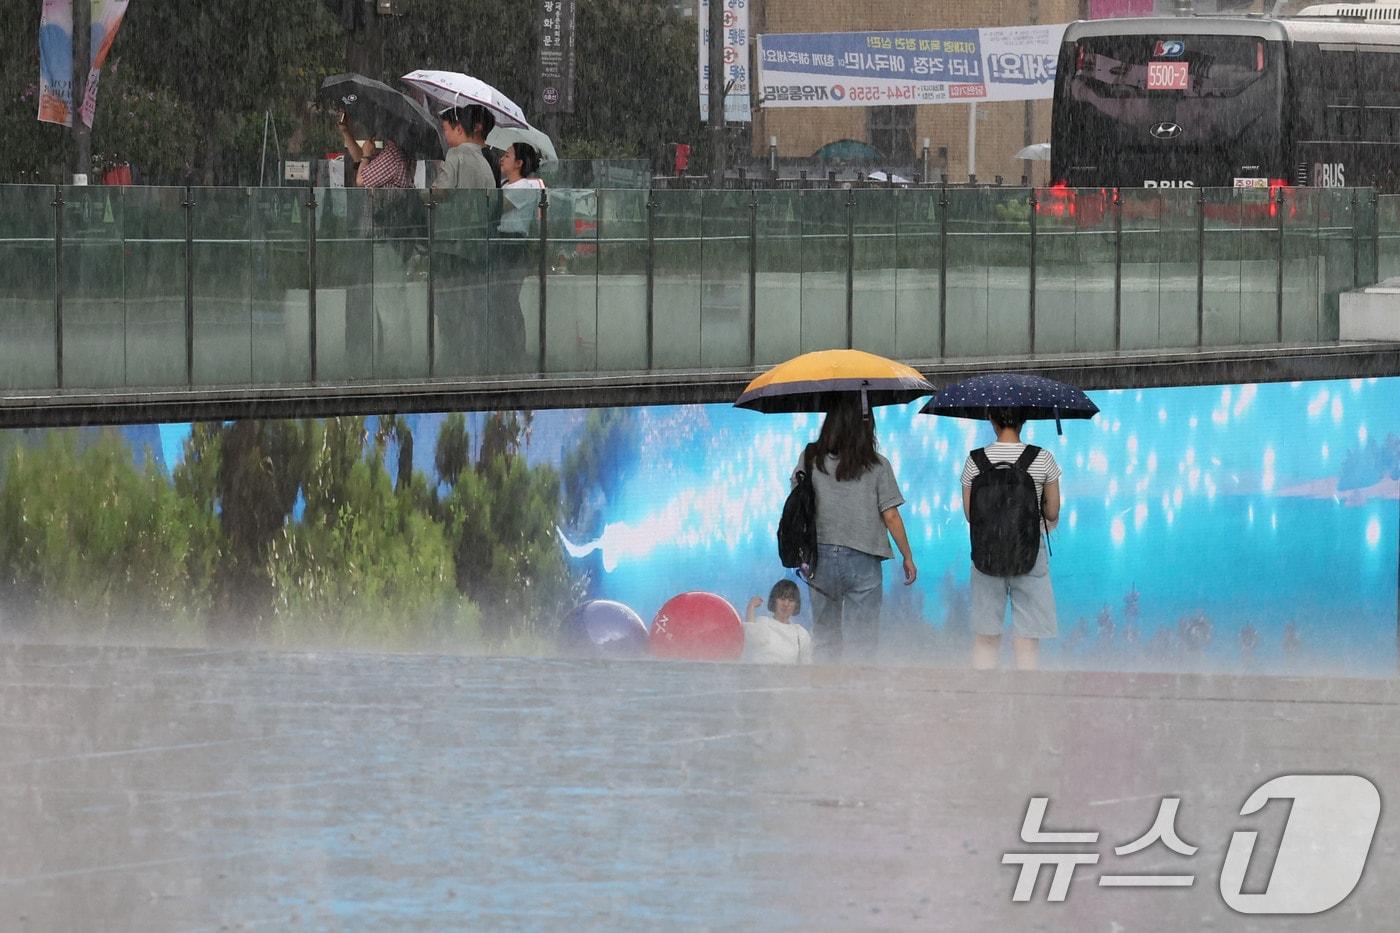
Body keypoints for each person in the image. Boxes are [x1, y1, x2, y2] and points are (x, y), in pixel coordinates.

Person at [797, 396, 917, 662]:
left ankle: (825, 698)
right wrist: (907, 556)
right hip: (863, 557)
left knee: (826, 637)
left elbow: (797, 498)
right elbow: (891, 515)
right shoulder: (876, 464)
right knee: (862, 641)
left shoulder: (810, 457)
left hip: (820, 557)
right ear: (866, 426)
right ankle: (859, 698)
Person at [960, 407, 1061, 671]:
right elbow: (1052, 512)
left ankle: (983, 698)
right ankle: (1025, 701)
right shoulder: (1043, 458)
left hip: (986, 554)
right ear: (1023, 420)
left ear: (991, 419)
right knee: (1027, 637)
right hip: (1028, 551)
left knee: (986, 636)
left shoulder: (975, 460)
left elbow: (971, 515)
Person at [489, 141, 546, 370]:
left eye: (508, 155)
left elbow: (498, 207)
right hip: (501, 244)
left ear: (519, 163)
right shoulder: (505, 184)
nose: (502, 159)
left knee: (508, 300)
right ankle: (505, 349)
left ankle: (515, 351)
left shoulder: (525, 187)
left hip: (513, 245)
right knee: (500, 301)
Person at [742, 579, 813, 665]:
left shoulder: (800, 633)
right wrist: (751, 608)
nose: (786, 604)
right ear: (774, 600)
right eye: (782, 599)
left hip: (789, 677)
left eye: (791, 600)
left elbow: (806, 666)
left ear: (796, 604)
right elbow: (751, 639)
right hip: (760, 676)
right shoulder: (763, 623)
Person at [337, 113, 413, 189]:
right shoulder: (390, 151)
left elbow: (361, 181)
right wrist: (345, 131)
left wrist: (366, 156)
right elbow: (360, 161)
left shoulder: (392, 155)